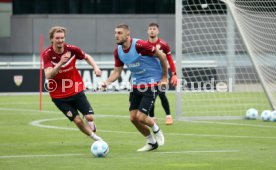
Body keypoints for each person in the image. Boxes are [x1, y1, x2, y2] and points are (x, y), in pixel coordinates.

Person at [102, 24, 168, 152]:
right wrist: (107, 82)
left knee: (142, 117)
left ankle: (157, 130)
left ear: (128, 34)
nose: (116, 35)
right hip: (136, 84)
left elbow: (162, 56)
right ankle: (151, 142)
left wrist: (165, 77)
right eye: (115, 32)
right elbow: (116, 72)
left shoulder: (140, 45)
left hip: (151, 82)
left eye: (120, 33)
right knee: (133, 118)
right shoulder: (118, 51)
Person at [42, 26, 103, 142]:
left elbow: (87, 57)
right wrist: (60, 63)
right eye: (57, 38)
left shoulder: (72, 49)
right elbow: (48, 75)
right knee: (78, 120)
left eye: (62, 38)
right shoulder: (47, 54)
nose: (60, 40)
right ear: (52, 39)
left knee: (89, 117)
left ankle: (90, 123)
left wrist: (96, 67)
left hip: (75, 89)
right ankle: (97, 140)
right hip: (58, 96)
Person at [147, 22, 178, 125]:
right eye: (150, 29)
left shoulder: (163, 45)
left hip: (162, 75)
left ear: (158, 31)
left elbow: (169, 59)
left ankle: (168, 116)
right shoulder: (144, 45)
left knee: (161, 94)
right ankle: (152, 118)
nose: (152, 30)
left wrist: (174, 73)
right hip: (149, 75)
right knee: (150, 96)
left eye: (154, 29)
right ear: (148, 31)